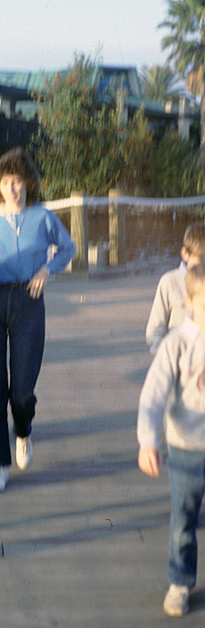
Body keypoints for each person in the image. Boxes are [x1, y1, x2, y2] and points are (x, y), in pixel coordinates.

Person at [0, 147, 76, 493]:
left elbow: (68, 248)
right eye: (6, 182)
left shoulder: (43, 217)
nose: (12, 188)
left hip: (29, 301)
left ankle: (23, 431)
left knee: (23, 389)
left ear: (28, 183)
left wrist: (47, 269)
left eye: (18, 181)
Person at [137, 262, 205, 617]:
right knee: (184, 520)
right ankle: (180, 581)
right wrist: (148, 440)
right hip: (186, 449)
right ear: (190, 302)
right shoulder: (176, 344)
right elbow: (152, 395)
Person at [146, 221, 205, 355]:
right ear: (185, 253)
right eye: (200, 259)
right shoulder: (169, 282)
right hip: (176, 361)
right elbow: (154, 330)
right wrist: (167, 357)